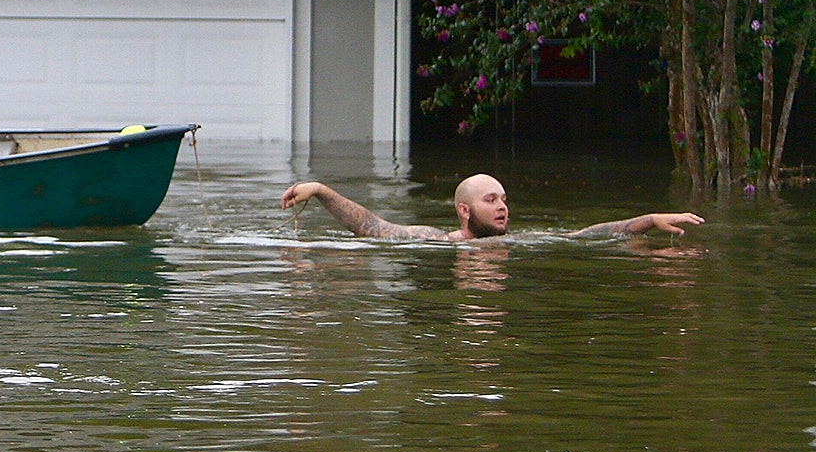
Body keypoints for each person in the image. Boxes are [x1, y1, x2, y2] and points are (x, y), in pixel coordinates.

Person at [280, 173, 704, 241]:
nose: (503, 207)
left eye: (503, 200)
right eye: (491, 200)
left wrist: (649, 219)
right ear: (464, 212)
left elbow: (584, 237)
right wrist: (320, 190)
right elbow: (374, 228)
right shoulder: (436, 242)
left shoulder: (517, 243)